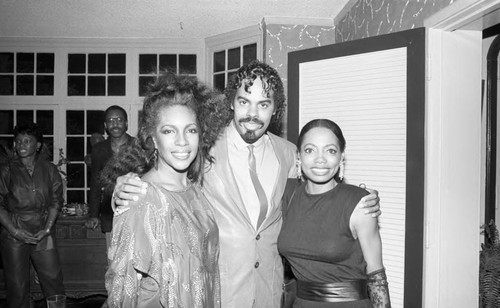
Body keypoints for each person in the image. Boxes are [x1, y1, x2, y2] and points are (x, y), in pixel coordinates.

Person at [113, 60, 381, 308]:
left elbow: (314, 193)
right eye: (244, 102)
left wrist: (355, 197)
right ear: (231, 102)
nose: (252, 114)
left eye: (263, 104)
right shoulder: (201, 145)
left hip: (271, 290)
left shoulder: (289, 154)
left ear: (276, 109)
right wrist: (122, 186)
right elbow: (165, 179)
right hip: (218, 289)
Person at [102, 72, 223, 307]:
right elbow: (123, 292)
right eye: (169, 131)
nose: (182, 141)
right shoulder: (140, 197)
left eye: (191, 130)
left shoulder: (194, 189)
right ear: (153, 139)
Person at [278, 119, 391, 307]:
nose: (320, 159)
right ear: (298, 157)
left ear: (341, 158)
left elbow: (376, 275)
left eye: (330, 150)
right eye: (310, 150)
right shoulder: (287, 193)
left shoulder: (360, 203)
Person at [0, 123, 65, 308]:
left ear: (38, 145)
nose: (21, 144)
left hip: (44, 231)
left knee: (53, 280)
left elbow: (56, 202)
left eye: (27, 141)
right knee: (17, 285)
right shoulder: (6, 170)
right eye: (18, 140)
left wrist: (46, 229)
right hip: (14, 231)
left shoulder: (50, 169)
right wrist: (14, 230)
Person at [85, 106, 134, 260]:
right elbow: (95, 183)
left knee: (135, 260)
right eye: (111, 121)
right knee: (114, 261)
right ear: (105, 125)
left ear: (126, 123)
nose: (115, 124)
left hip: (136, 211)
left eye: (119, 120)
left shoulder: (138, 146)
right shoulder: (99, 150)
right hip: (109, 213)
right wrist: (94, 214)